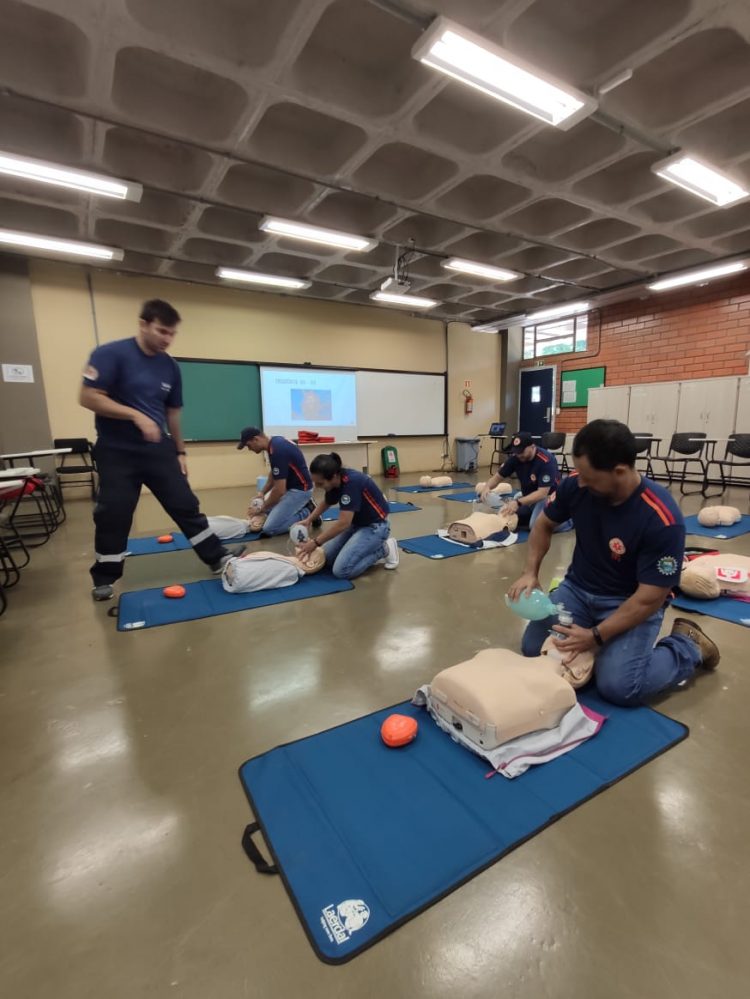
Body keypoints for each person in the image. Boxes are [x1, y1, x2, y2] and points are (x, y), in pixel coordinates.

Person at [507, 419, 719, 706]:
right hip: (577, 590)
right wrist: (529, 572)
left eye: (588, 475)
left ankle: (687, 645)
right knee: (533, 648)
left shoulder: (660, 518)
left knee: (619, 686)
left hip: (629, 601)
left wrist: (595, 637)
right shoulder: (575, 486)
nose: (579, 480)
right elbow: (543, 525)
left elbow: (649, 598)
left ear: (618, 471)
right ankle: (604, 648)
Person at [80, 299, 242, 601]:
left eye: (172, 334)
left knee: (185, 503)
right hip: (116, 450)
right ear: (143, 324)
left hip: (158, 450)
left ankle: (216, 557)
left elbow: (173, 414)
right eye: (162, 331)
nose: (167, 339)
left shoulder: (170, 366)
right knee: (113, 513)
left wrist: (180, 452)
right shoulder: (110, 354)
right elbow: (88, 396)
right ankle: (105, 576)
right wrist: (135, 414)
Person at [296, 452, 399, 578]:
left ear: (333, 476)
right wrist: (309, 520)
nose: (317, 487)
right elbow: (327, 502)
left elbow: (343, 523)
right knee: (326, 559)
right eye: (316, 483)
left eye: (320, 483)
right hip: (356, 525)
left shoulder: (352, 483)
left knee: (341, 571)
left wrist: (315, 542)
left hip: (375, 527)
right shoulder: (335, 482)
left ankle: (384, 549)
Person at [481, 431, 570, 532]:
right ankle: (534, 513)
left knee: (536, 526)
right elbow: (497, 477)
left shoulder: (546, 460)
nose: (519, 455)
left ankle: (569, 520)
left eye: (522, 451)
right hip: (528, 497)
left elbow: (542, 493)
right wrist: (487, 487)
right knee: (508, 512)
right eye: (516, 451)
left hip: (548, 498)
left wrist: (518, 502)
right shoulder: (516, 457)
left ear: (532, 447)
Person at [236, 426, 315, 535]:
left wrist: (261, 509)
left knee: (269, 528)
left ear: (256, 439)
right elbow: (274, 473)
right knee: (268, 510)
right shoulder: (274, 443)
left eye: (248, 445)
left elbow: (279, 491)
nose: (249, 449)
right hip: (291, 487)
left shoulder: (278, 451)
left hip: (300, 491)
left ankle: (307, 512)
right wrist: (262, 493)